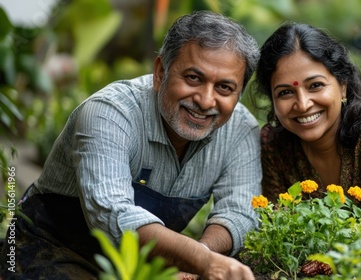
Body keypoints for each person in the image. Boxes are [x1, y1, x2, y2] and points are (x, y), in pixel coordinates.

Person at [0, 10, 261, 280]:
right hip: (49, 247)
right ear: (160, 72)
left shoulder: (241, 130)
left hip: (140, 263)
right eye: (194, 78)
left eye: (225, 88)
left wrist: (200, 256)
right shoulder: (108, 113)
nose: (206, 101)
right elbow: (113, 214)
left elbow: (239, 210)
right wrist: (199, 259)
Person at [253, 22, 361, 256]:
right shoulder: (275, 146)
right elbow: (278, 233)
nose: (303, 104)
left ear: (343, 86)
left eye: (315, 86)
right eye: (285, 92)